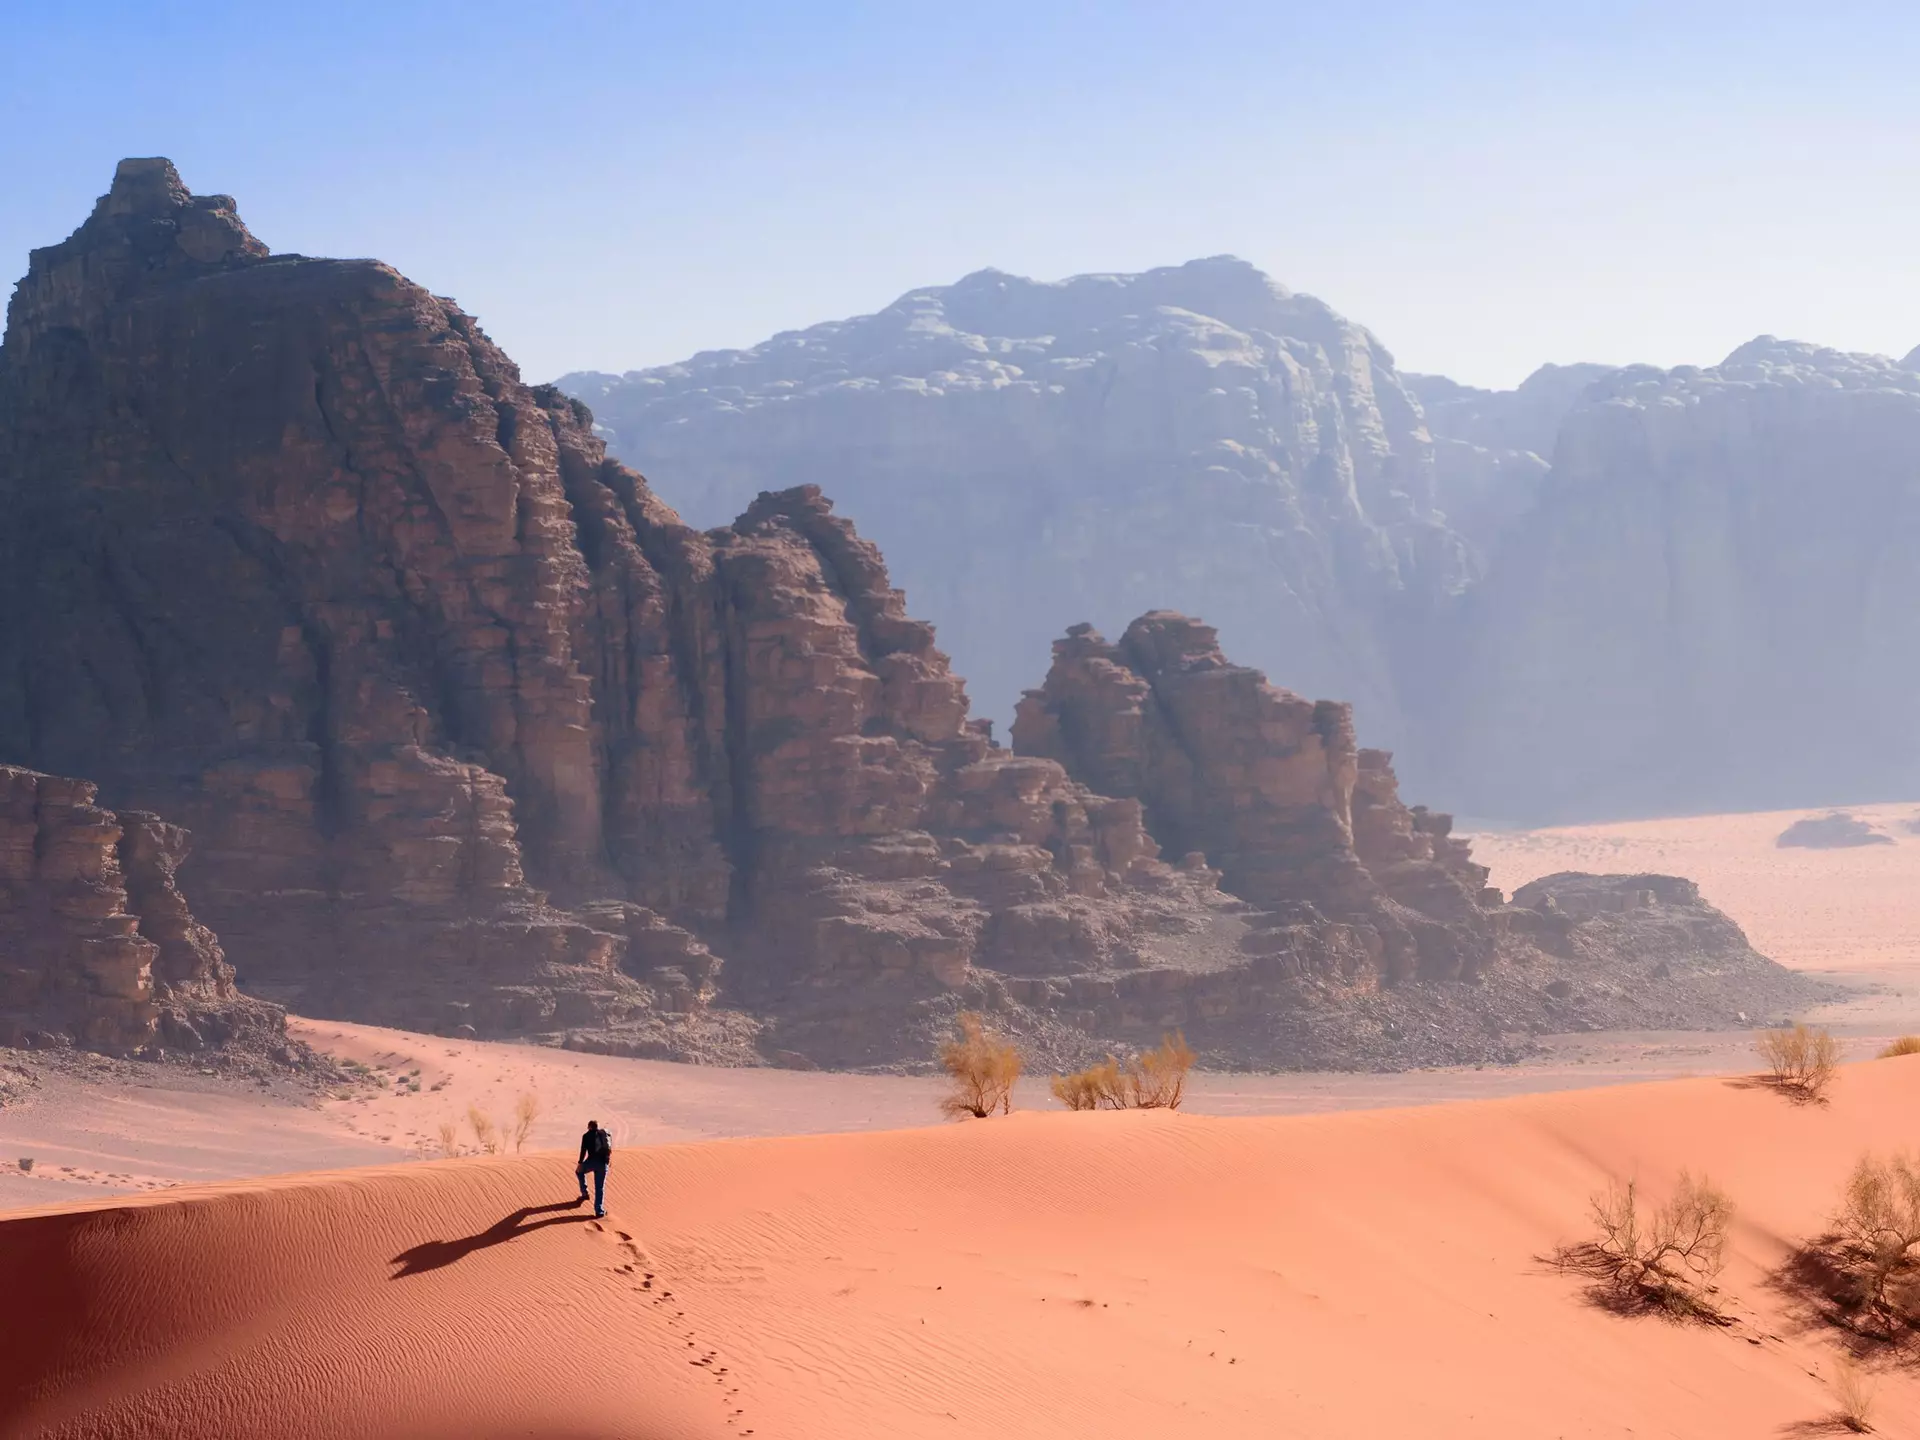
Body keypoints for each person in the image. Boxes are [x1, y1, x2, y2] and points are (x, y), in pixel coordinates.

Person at [576, 1119, 612, 1217]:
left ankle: (584, 1193)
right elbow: (608, 1148)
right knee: (599, 1188)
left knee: (579, 1172)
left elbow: (583, 1151)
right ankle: (599, 1211)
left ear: (589, 1127)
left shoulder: (586, 1136)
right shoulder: (602, 1135)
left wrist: (580, 1163)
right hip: (603, 1163)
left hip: (591, 1162)